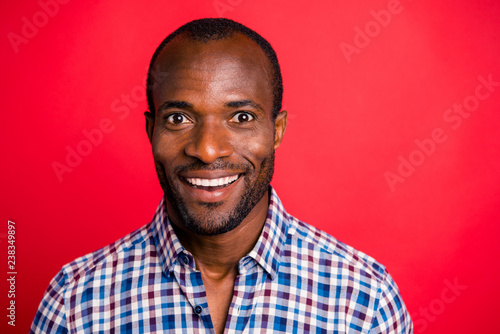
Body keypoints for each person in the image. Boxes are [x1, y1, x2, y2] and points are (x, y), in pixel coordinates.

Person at [31, 18, 413, 333]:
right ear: (151, 132)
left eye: (241, 118)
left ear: (276, 130)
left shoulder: (364, 302)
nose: (208, 149)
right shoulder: (76, 303)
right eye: (178, 119)